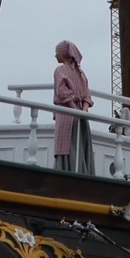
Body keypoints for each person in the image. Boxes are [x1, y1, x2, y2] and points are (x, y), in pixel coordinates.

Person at [52, 40, 93, 173]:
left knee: (65, 146)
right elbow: (87, 95)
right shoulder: (81, 74)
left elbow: (62, 92)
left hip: (67, 113)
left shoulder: (60, 70)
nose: (55, 55)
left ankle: (64, 172)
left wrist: (73, 109)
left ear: (63, 54)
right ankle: (82, 171)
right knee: (80, 144)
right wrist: (83, 112)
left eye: (57, 52)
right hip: (81, 115)